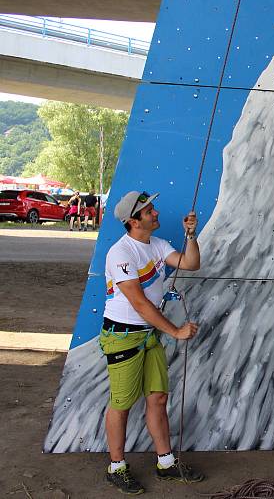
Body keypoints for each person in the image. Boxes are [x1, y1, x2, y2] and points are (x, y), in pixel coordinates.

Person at [101, 190, 204, 495]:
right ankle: (116, 468)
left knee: (157, 398)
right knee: (121, 404)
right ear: (133, 221)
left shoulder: (156, 245)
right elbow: (140, 304)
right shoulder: (121, 253)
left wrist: (191, 235)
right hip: (123, 336)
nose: (156, 213)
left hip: (148, 336)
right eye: (149, 211)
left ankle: (166, 462)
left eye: (153, 208)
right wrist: (175, 332)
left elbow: (190, 263)